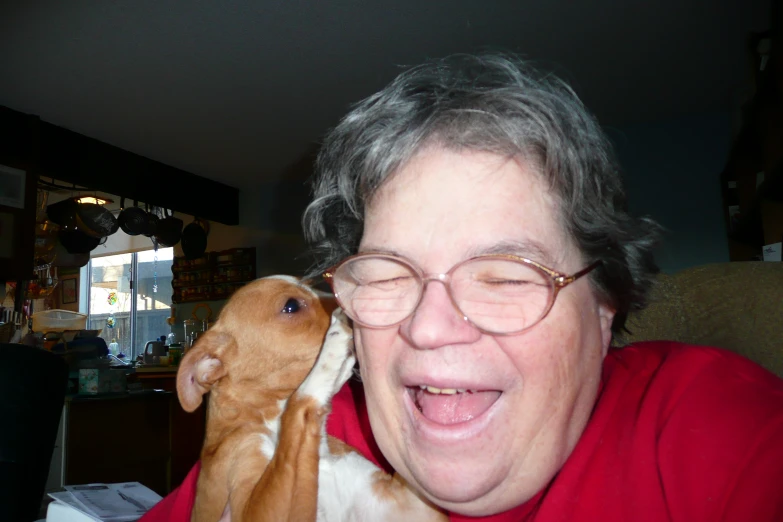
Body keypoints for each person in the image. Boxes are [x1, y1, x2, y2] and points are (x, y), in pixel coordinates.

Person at [142, 54, 783, 521]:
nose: (427, 327)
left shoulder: (715, 436)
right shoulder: (307, 431)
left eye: (504, 275)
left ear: (604, 305)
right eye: (389, 275)